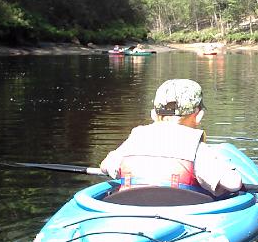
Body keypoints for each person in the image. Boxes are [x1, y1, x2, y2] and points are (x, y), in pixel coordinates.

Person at [99, 79, 243, 196]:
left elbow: (105, 166)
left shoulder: (135, 138)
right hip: (181, 217)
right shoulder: (196, 148)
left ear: (153, 115)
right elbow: (233, 183)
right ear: (199, 116)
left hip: (129, 210)